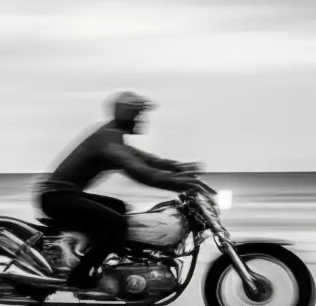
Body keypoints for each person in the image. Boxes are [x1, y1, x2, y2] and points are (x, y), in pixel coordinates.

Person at [36, 91, 199, 291]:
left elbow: (147, 160)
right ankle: (80, 274)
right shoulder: (108, 140)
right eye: (137, 115)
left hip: (64, 194)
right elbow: (142, 172)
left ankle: (95, 255)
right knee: (118, 224)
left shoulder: (112, 136)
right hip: (57, 197)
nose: (141, 120)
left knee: (119, 207)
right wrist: (181, 183)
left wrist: (179, 168)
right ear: (126, 114)